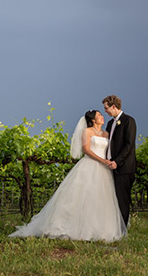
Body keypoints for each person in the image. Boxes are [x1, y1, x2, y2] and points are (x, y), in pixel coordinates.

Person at [9, 110, 126, 242]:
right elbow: (86, 150)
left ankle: (99, 229)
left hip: (103, 170)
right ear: (93, 120)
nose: (101, 117)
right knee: (81, 197)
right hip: (89, 165)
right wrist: (102, 160)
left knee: (100, 198)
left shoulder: (106, 134)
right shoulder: (87, 132)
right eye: (99, 115)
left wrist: (109, 162)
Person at [102, 95, 137, 227]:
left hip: (124, 168)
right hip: (111, 166)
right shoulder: (110, 123)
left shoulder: (129, 121)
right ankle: (114, 227)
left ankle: (123, 228)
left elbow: (129, 145)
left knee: (122, 199)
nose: (105, 111)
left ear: (113, 107)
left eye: (106, 108)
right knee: (113, 199)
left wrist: (117, 161)